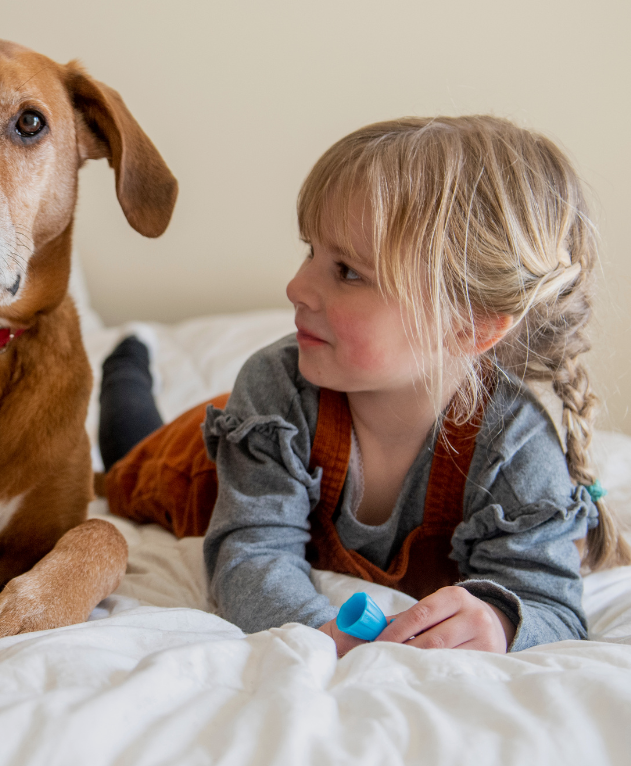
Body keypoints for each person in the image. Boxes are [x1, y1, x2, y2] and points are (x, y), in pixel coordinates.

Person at [98, 116, 630, 657]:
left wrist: (500, 622)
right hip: (192, 465)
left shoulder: (515, 444)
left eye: (347, 271)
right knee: (125, 445)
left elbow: (552, 606)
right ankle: (127, 359)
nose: (295, 286)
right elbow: (253, 552)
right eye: (310, 251)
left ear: (471, 326)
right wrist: (319, 632)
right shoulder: (274, 389)